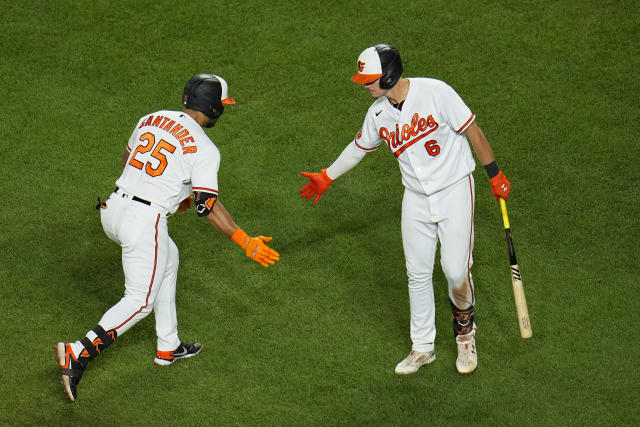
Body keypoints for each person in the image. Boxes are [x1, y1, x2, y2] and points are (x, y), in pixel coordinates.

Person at [55, 74, 280, 402]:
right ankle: (78, 352)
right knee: (139, 301)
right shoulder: (205, 148)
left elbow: (128, 161)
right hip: (142, 223)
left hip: (112, 207)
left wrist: (174, 191)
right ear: (214, 108)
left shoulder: (152, 118)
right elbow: (207, 207)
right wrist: (245, 240)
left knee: (169, 258)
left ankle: (168, 345)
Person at [300, 44, 510, 375]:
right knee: (417, 274)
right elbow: (358, 148)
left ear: (389, 75)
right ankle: (422, 347)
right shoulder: (378, 114)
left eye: (369, 80)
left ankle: (465, 335)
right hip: (415, 198)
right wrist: (327, 176)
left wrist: (494, 173)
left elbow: (472, 130)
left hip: (455, 189)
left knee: (456, 271)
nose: (364, 85)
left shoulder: (436, 92)